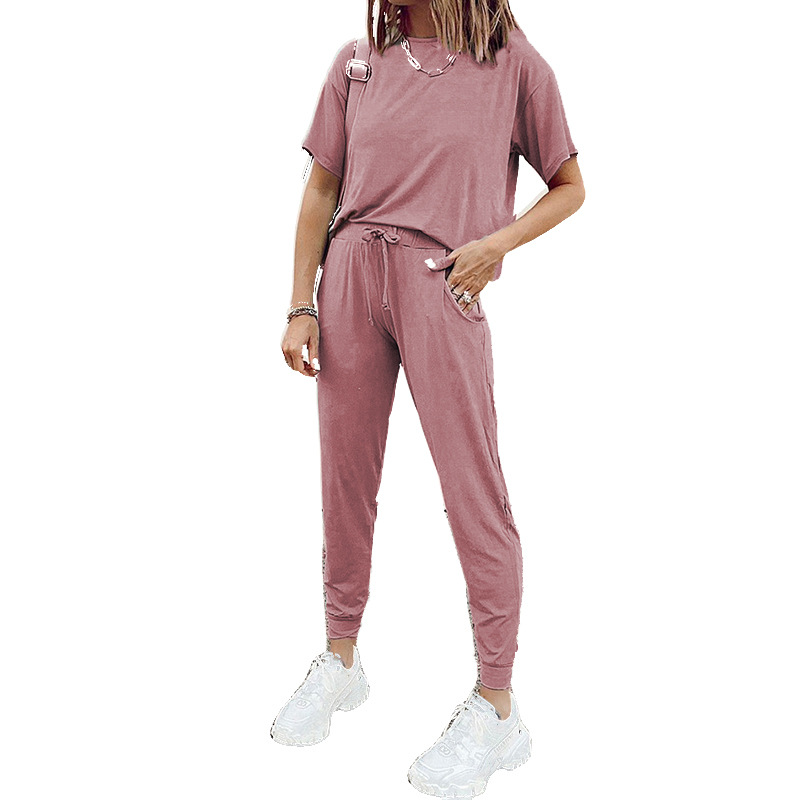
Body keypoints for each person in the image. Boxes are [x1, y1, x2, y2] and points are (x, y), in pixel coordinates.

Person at [272, 1, 584, 795]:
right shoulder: (357, 63)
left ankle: (497, 705)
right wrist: (301, 304)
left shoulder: (514, 65)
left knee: (474, 490)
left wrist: (495, 244)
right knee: (345, 482)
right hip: (349, 278)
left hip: (441, 282)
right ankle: (341, 659)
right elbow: (320, 189)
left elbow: (570, 186)